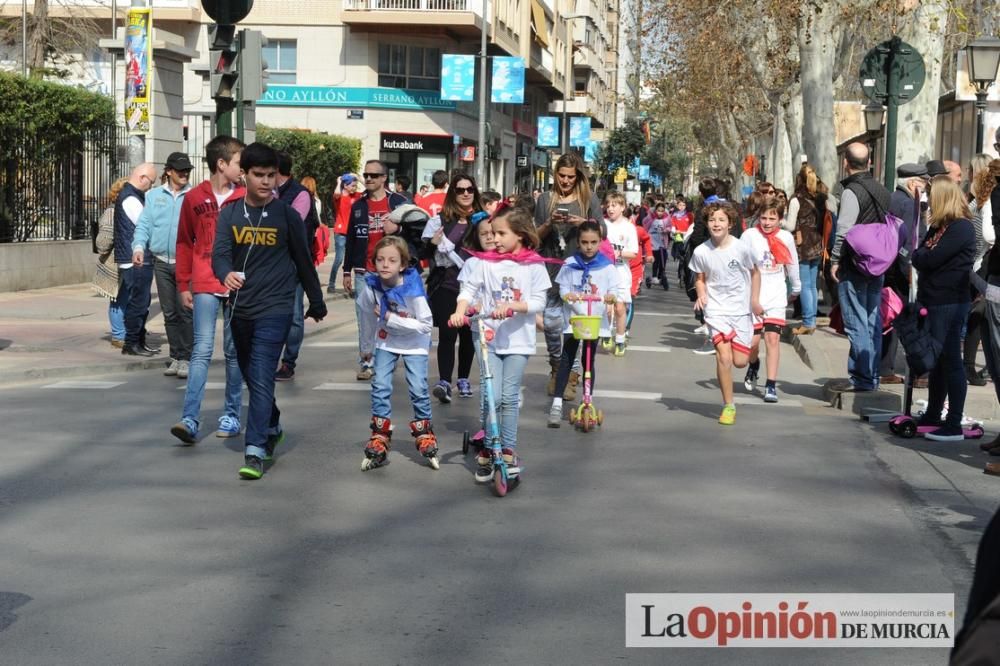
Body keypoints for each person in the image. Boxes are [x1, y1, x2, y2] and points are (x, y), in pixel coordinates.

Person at [212, 142, 327, 480]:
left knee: (262, 375)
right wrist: (225, 273)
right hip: (240, 309)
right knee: (251, 375)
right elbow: (219, 253)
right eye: (258, 175)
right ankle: (272, 423)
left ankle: (255, 449)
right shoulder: (230, 214)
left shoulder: (286, 215)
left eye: (271, 175)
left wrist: (316, 300)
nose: (265, 182)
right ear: (243, 176)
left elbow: (304, 261)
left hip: (275, 308)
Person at [450, 205, 551, 482]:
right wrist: (461, 311)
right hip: (488, 338)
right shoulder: (484, 262)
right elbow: (468, 291)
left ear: (519, 235)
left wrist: (514, 306)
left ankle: (507, 448)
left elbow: (538, 302)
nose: (494, 238)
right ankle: (489, 446)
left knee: (508, 398)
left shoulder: (534, 264)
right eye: (492, 233)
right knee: (490, 396)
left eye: (500, 233)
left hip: (518, 341)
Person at [171, 135, 247, 443]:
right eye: (239, 163)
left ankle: (231, 415)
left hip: (236, 283)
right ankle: (189, 419)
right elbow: (184, 242)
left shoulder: (244, 197)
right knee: (201, 351)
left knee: (233, 352)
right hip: (203, 281)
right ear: (221, 164)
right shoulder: (193, 198)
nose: (243, 169)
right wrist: (183, 283)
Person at [357, 237, 436, 470]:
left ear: (402, 265)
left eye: (392, 260)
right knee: (380, 385)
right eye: (380, 259)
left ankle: (424, 432)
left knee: (418, 387)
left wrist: (391, 317)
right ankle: (380, 434)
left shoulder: (413, 290)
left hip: (415, 343)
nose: (385, 265)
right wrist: (366, 347)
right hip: (386, 341)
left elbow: (425, 325)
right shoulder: (371, 287)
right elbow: (366, 317)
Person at [911, 176, 976, 441]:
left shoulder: (961, 228)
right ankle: (933, 413)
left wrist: (921, 257)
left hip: (950, 301)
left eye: (931, 195)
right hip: (933, 299)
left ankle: (953, 422)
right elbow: (918, 255)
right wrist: (920, 257)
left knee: (951, 361)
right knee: (937, 361)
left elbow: (930, 258)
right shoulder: (940, 226)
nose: (928, 201)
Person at [535, 152, 603, 396]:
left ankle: (571, 374)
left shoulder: (588, 199)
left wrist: (582, 223)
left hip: (579, 270)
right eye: (561, 176)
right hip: (551, 268)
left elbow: (601, 231)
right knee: (552, 324)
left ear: (578, 177)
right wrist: (548, 223)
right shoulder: (545, 199)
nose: (565, 181)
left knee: (574, 325)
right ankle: (556, 365)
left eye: (570, 177)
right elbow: (535, 237)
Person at [689, 201, 761, 425]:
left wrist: (755, 300)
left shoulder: (741, 248)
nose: (716, 224)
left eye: (721, 220)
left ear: (730, 223)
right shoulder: (701, 251)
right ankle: (728, 405)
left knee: (740, 361)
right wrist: (701, 294)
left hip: (740, 310)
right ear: (707, 223)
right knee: (724, 357)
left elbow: (755, 273)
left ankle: (753, 361)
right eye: (712, 220)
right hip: (716, 311)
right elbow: (699, 279)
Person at [829, 142, 892, 392]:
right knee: (871, 321)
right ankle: (870, 376)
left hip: (854, 264)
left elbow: (843, 230)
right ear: (869, 162)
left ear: (846, 163)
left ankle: (863, 378)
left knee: (856, 322)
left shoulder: (851, 191)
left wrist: (835, 260)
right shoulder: (883, 191)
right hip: (877, 265)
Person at [420, 173, 484, 403]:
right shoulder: (439, 221)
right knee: (448, 334)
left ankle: (464, 378)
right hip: (446, 285)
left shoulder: (483, 221)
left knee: (468, 335)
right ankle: (444, 381)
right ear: (452, 194)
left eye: (469, 190)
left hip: (475, 288)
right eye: (460, 190)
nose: (465, 193)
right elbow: (422, 254)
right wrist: (432, 244)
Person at [548, 220, 619, 427]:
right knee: (567, 357)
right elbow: (562, 289)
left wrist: (611, 298)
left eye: (593, 242)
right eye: (585, 242)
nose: (589, 247)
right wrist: (570, 297)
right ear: (578, 242)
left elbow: (614, 289)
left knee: (589, 358)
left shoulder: (606, 266)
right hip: (575, 319)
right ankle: (557, 403)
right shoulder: (571, 263)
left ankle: (588, 398)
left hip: (595, 317)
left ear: (600, 242)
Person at [131, 152, 194, 378]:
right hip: (161, 261)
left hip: (187, 264)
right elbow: (144, 224)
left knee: (186, 311)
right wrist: (138, 247)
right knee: (169, 312)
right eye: (180, 170)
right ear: (169, 172)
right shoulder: (154, 195)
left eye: (187, 170)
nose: (185, 174)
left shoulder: (193, 196)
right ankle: (176, 356)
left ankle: (187, 357)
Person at [343, 159, 407, 380]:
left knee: (393, 316)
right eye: (366, 175)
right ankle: (367, 362)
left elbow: (416, 230)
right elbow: (351, 238)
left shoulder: (398, 202)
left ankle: (390, 356)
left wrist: (398, 227)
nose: (368, 179)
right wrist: (346, 270)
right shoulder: (358, 205)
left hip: (393, 272)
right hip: (365, 270)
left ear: (383, 178)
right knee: (366, 318)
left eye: (373, 175)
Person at [741, 197, 800, 403]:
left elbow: (792, 263)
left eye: (772, 218)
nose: (767, 222)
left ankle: (771, 385)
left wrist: (797, 285)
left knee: (772, 339)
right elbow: (740, 262)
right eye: (763, 217)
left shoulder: (786, 237)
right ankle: (754, 364)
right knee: (752, 343)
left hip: (776, 293)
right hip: (754, 294)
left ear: (780, 219)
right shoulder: (749, 235)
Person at [274, 152, 321, 382]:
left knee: (294, 315)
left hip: (293, 264)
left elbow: (289, 224)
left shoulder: (300, 194)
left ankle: (288, 362)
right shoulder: (265, 192)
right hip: (269, 264)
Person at [114, 162, 159, 357]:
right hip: (134, 260)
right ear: (142, 178)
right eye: (151, 182)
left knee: (142, 301)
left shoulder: (133, 195)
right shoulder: (130, 198)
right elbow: (144, 225)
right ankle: (131, 343)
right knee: (138, 303)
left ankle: (139, 341)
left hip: (136, 259)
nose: (151, 186)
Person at [963, 155, 996, 387]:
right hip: (980, 265)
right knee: (980, 314)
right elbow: (985, 236)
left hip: (977, 265)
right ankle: (970, 367)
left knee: (980, 316)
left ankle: (974, 366)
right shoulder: (984, 202)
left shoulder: (976, 201)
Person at [785, 163, 828, 336]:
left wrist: (779, 222)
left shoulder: (796, 199)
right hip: (818, 244)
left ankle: (808, 322)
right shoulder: (822, 198)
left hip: (803, 246)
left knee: (805, 285)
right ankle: (811, 321)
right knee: (812, 286)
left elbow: (789, 226)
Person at [92, 177, 128, 348]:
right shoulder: (112, 213)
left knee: (127, 299)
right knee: (119, 299)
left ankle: (126, 333)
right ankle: (119, 335)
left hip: (130, 263)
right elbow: (103, 243)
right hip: (116, 263)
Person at [602, 191, 638, 357]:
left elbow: (634, 253)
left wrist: (618, 254)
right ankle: (606, 334)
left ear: (622, 207)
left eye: (614, 205)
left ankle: (620, 339)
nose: (610, 209)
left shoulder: (629, 227)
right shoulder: (603, 225)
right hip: (604, 272)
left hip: (621, 272)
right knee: (606, 307)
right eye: (608, 205)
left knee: (620, 308)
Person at [328, 173, 362, 295]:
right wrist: (338, 182)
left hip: (352, 233)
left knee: (351, 260)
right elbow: (337, 193)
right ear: (345, 186)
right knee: (339, 259)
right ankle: (331, 284)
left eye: (355, 185)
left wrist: (358, 178)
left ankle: (349, 285)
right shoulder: (340, 197)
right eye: (352, 185)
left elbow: (369, 192)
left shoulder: (357, 196)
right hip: (341, 232)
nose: (355, 187)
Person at [643, 202, 670, 289]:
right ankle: (654, 277)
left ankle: (660, 276)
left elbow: (670, 227)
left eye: (662, 211)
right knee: (656, 261)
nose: (660, 213)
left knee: (663, 260)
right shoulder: (651, 218)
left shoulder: (666, 219)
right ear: (656, 211)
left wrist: (666, 230)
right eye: (658, 211)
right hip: (652, 243)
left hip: (662, 242)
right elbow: (644, 224)